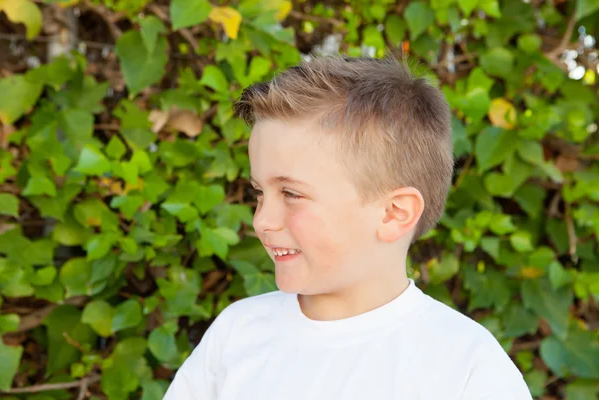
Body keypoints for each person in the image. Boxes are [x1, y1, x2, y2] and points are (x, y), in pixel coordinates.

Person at [162, 55, 533, 399]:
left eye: (291, 193)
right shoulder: (237, 334)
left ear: (393, 213)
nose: (262, 220)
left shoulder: (466, 367)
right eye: (259, 192)